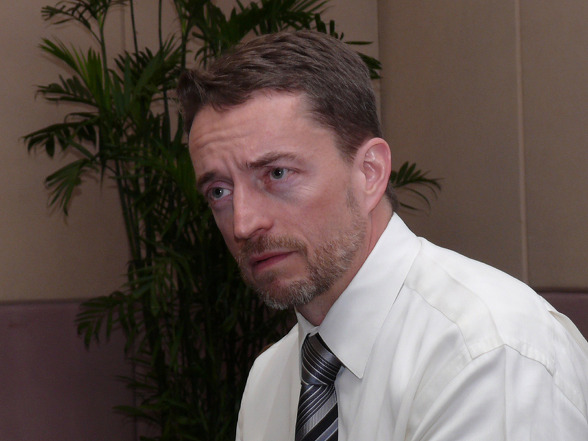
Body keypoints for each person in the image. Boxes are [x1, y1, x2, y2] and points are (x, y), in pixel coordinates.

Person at [177, 30, 588, 440]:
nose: (243, 224)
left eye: (277, 173)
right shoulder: (268, 382)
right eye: (219, 192)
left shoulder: (486, 351)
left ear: (369, 173)